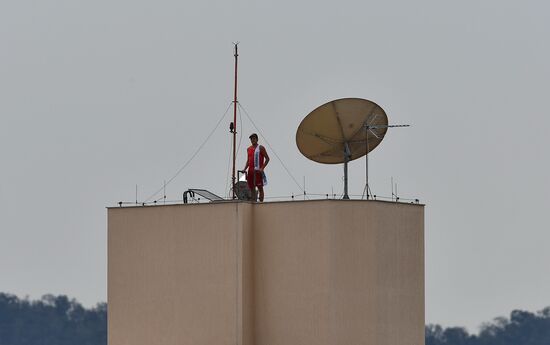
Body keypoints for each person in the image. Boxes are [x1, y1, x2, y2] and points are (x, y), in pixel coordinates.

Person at [243, 133, 270, 202]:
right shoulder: (248, 149)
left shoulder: (261, 148)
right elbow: (248, 160)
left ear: (257, 139)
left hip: (258, 171)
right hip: (250, 171)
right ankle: (254, 202)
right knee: (252, 188)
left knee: (260, 187)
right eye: (251, 139)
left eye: (254, 138)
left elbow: (267, 159)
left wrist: (262, 168)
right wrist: (244, 169)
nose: (253, 140)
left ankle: (261, 203)